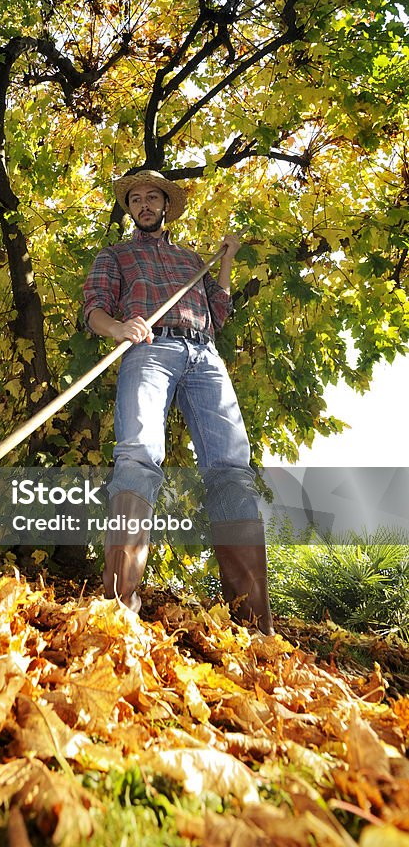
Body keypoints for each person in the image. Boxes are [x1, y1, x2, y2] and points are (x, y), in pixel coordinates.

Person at [83, 169, 274, 634]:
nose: (145, 204)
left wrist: (225, 260)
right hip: (149, 350)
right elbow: (93, 308)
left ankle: (253, 623)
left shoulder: (192, 260)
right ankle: (117, 607)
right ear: (128, 209)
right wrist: (119, 328)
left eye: (153, 197)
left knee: (232, 468)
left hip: (206, 356)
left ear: (165, 206)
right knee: (138, 456)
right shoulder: (116, 255)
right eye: (135, 199)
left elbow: (220, 311)